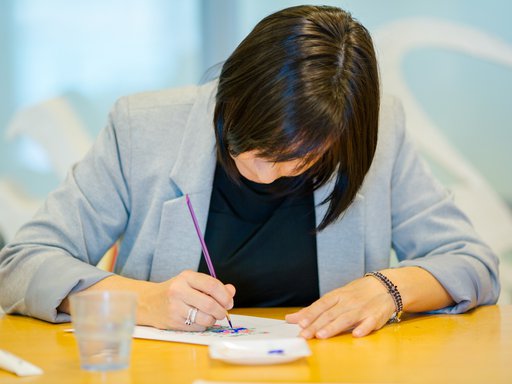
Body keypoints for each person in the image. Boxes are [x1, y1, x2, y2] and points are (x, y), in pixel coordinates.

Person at [0, 5, 499, 339]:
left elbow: (472, 262)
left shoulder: (377, 134)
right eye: (259, 149)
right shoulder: (141, 129)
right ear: (230, 95)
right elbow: (21, 265)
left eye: (303, 160)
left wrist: (389, 290)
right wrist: (144, 300)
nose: (272, 174)